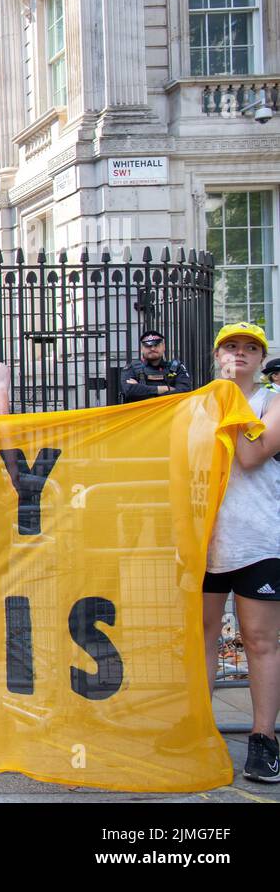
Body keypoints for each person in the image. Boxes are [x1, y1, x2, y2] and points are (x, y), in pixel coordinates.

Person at [200, 321, 280, 783]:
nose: (240, 353)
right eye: (231, 346)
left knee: (259, 641)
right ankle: (201, 730)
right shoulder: (199, 404)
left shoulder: (272, 401)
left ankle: (264, 738)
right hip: (206, 540)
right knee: (204, 638)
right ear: (217, 355)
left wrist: (229, 399)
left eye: (250, 348)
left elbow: (251, 456)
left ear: (261, 359)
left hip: (258, 540)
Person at [120, 329, 191, 403]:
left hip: (170, 413)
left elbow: (184, 392)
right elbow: (129, 390)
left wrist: (142, 391)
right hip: (142, 413)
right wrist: (165, 388)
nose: (152, 348)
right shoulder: (132, 368)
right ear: (142, 349)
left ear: (163, 347)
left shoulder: (176, 367)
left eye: (156, 345)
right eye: (148, 346)